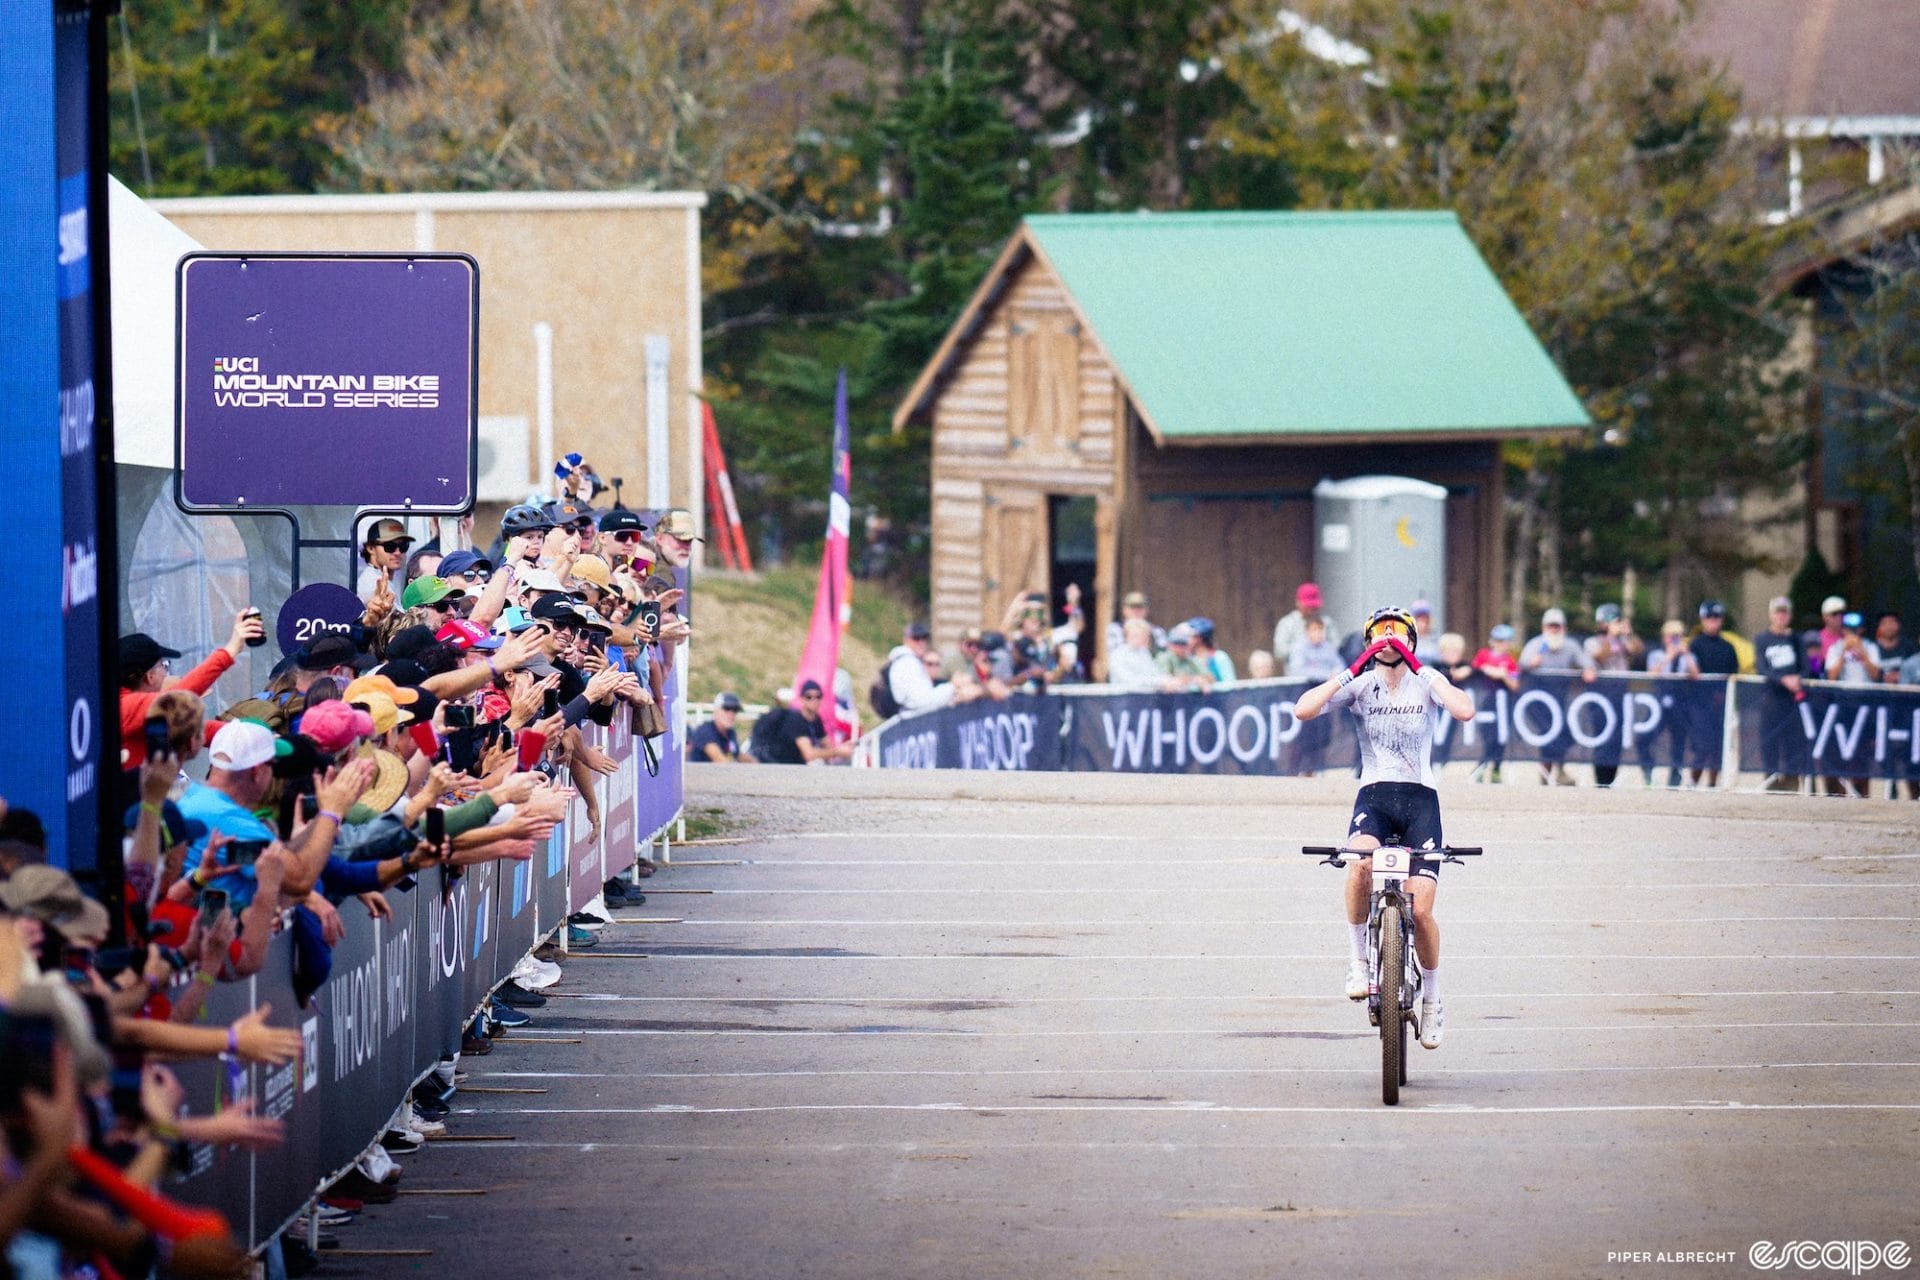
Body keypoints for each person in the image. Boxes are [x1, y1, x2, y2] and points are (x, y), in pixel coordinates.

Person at [1293, 606, 1476, 1051]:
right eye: (1380, 635)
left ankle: (1432, 1000)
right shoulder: (1360, 683)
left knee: (1421, 910)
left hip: (1419, 799)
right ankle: (1358, 960)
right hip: (1374, 794)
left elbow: (1464, 710)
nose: (1388, 641)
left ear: (1411, 641)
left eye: (1397, 635)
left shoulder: (1425, 677)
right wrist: (1351, 669)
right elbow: (1303, 710)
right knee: (1358, 866)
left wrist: (1421, 669)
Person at [1519, 607, 1596, 784]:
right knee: (1549, 733)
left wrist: (1588, 669)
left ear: (1564, 628)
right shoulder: (1535, 645)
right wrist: (1531, 664)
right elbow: (1521, 666)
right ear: (1544, 628)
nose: (1554, 630)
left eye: (1557, 627)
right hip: (1536, 699)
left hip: (1559, 698)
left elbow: (1587, 663)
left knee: (1564, 734)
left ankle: (1556, 771)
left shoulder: (1570, 646)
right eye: (1550, 626)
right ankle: (1547, 774)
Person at [1582, 603, 1644, 787]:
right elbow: (1600, 657)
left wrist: (1628, 633)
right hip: (1601, 696)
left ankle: (1611, 779)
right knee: (1602, 736)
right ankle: (1601, 780)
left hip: (1620, 694)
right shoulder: (1592, 642)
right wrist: (1610, 637)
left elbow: (1638, 650)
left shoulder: (1623, 641)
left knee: (1617, 738)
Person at [1754, 596, 1808, 793]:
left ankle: (1792, 784)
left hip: (1791, 702)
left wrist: (1797, 679)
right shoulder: (1762, 639)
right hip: (1771, 700)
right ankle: (1771, 782)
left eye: (1784, 612)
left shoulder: (1795, 639)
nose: (1781, 616)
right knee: (1770, 744)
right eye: (1778, 612)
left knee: (1793, 745)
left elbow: (1805, 667)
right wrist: (1783, 679)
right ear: (1771, 615)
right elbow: (1761, 667)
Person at [1686, 601, 1741, 787]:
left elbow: (1733, 675)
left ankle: (1712, 784)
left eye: (1716, 618)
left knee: (1718, 748)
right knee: (1701, 746)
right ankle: (1693, 781)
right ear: (1702, 620)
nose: (1713, 622)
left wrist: (1723, 696)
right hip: (1700, 705)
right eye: (1709, 618)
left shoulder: (1728, 647)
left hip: (1721, 704)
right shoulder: (1695, 645)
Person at [1645, 619, 1701, 786]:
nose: (1674, 640)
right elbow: (1652, 674)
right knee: (1647, 737)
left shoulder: (1688, 656)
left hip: (1681, 701)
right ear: (1664, 638)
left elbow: (1695, 675)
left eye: (1678, 636)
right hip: (1660, 700)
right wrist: (1669, 656)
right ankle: (1649, 771)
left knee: (1679, 740)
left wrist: (1684, 654)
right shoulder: (1656, 655)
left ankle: (1675, 777)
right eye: (1671, 636)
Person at [1466, 624, 1520, 783]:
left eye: (1504, 641)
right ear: (1492, 641)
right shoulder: (1483, 655)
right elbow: (1474, 669)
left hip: (1504, 704)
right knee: (1487, 735)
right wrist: (1487, 669)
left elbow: (1515, 685)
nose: (1501, 644)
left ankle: (1495, 768)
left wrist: (1503, 676)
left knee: (1501, 737)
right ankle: (1482, 766)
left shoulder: (1510, 661)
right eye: (1498, 640)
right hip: (1487, 700)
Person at [1271, 582, 1339, 676]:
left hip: (1326, 676)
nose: (1311, 610)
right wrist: (1305, 645)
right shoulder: (1287, 623)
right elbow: (1279, 651)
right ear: (1298, 602)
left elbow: (1336, 647)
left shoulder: (1326, 622)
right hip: (1297, 678)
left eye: (1313, 607)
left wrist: (1320, 646)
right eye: (1308, 606)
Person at [1104, 592, 1166, 672]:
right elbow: (1115, 653)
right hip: (1125, 670)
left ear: (1146, 610)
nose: (1136, 611)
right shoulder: (1115, 629)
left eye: (1140, 607)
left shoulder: (1157, 631)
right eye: (1132, 607)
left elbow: (1163, 654)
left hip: (1151, 670)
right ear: (1124, 610)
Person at [357, 517, 413, 600]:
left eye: (403, 546)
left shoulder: (382, 579)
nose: (397, 553)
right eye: (389, 546)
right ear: (371, 548)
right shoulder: (373, 583)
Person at [689, 693, 751, 763]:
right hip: (699, 773)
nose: (731, 714)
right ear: (716, 710)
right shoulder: (704, 731)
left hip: (717, 772)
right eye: (727, 708)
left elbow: (739, 755)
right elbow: (720, 760)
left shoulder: (730, 733)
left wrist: (760, 767)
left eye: (735, 710)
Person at [1107, 618, 1164, 691]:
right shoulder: (1118, 655)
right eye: (1136, 635)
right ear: (1126, 635)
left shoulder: (1144, 652)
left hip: (1144, 697)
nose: (1141, 638)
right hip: (1123, 698)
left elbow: (1153, 673)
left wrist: (1166, 680)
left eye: (1144, 635)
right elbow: (1130, 680)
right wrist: (1159, 682)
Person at [1154, 624, 1215, 692]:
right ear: (1169, 645)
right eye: (1176, 643)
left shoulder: (1192, 659)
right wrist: (1194, 679)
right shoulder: (1163, 657)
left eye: (1183, 644)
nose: (1180, 647)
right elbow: (1166, 681)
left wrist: (1200, 680)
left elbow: (1210, 678)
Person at [1188, 618, 1235, 683]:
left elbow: (1230, 684)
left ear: (1199, 638)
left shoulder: (1219, 657)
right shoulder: (1187, 658)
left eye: (1189, 636)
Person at [1872, 612, 1910, 681]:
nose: (1889, 627)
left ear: (1899, 625)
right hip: (1878, 690)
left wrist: (1900, 675)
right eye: (1884, 623)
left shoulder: (1908, 646)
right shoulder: (1871, 648)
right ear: (1878, 627)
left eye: (1892, 622)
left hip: (1904, 689)